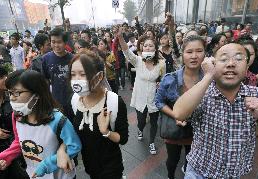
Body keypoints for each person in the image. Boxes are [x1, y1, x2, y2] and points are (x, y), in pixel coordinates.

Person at [172, 43, 258, 178]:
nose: (231, 64)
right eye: (223, 59)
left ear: (247, 67)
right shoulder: (202, 93)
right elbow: (178, 113)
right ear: (213, 64)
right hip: (199, 173)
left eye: (238, 59)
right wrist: (208, 76)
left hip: (233, 175)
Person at [0, 70, 81, 178]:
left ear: (36, 94)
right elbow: (20, 142)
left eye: (16, 92)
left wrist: (48, 164)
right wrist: (4, 157)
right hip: (34, 174)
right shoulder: (17, 117)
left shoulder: (57, 119)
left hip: (61, 175)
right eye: (9, 93)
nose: (12, 97)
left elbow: (74, 145)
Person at [58, 49, 128, 178]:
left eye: (83, 74)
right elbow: (69, 132)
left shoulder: (114, 102)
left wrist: (105, 131)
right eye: (73, 74)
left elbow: (123, 138)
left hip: (111, 168)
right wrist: (62, 150)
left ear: (99, 76)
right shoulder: (74, 100)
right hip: (89, 165)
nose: (76, 80)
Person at [155, 35, 205, 179]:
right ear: (182, 54)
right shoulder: (170, 78)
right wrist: (176, 115)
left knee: (192, 162)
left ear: (205, 54)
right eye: (189, 52)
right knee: (172, 160)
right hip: (174, 131)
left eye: (199, 51)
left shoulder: (210, 80)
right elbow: (158, 102)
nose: (194, 56)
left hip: (198, 133)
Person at [116, 26, 166, 155]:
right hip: (140, 98)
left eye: (151, 46)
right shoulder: (138, 61)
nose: (148, 48)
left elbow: (163, 77)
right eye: (145, 46)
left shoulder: (161, 63)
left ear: (155, 49)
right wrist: (121, 37)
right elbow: (127, 51)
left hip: (154, 98)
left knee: (154, 122)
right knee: (142, 121)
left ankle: (152, 143)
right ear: (142, 48)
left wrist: (161, 83)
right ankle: (140, 129)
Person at [0, 63, 28, 179]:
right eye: (1, 77)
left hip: (17, 151)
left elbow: (22, 122)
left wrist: (0, 118)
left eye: (5, 75)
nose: (6, 78)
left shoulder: (14, 96)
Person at [41, 28, 74, 116]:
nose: (56, 45)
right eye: (53, 42)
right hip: (56, 100)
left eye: (59, 42)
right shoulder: (46, 59)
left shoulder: (73, 58)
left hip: (73, 99)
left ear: (65, 42)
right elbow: (45, 80)